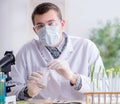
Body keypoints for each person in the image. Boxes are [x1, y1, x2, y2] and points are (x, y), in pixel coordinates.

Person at [8, 2, 104, 101]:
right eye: (40, 26)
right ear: (35, 30)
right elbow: (11, 91)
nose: (46, 29)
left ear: (62, 24)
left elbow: (102, 87)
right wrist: (28, 92)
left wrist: (73, 77)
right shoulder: (26, 51)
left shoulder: (86, 47)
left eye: (51, 23)